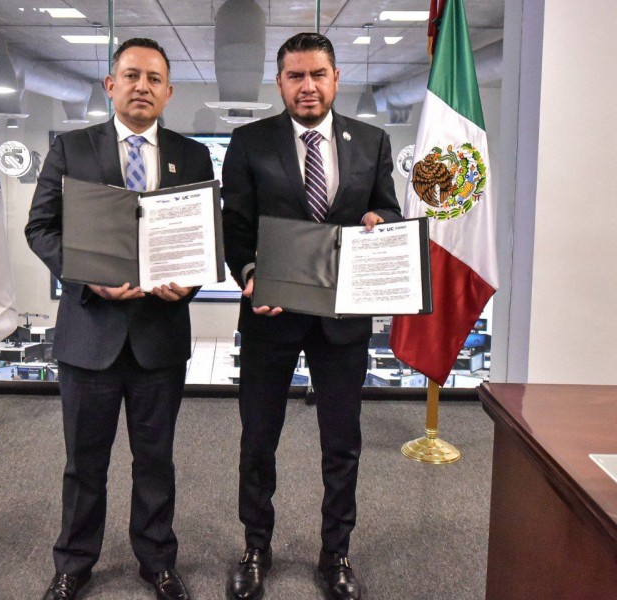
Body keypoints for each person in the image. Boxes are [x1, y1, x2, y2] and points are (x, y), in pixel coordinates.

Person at [25, 38, 214, 600]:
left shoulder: (193, 156)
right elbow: (41, 228)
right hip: (90, 336)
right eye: (131, 75)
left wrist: (192, 281)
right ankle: (73, 563)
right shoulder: (72, 149)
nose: (142, 87)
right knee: (84, 463)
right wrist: (86, 276)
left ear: (168, 92)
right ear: (110, 85)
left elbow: (203, 237)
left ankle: (157, 561)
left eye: (154, 79)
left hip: (160, 336)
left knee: (155, 461)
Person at [221, 32, 403, 600]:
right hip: (270, 314)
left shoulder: (371, 141)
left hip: (341, 320)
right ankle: (256, 547)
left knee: (342, 443)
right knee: (258, 440)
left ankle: (336, 553)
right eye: (295, 76)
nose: (307, 86)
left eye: (317, 74)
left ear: (335, 78)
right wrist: (249, 272)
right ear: (279, 83)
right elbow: (236, 227)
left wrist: (380, 221)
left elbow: (388, 208)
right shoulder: (249, 142)